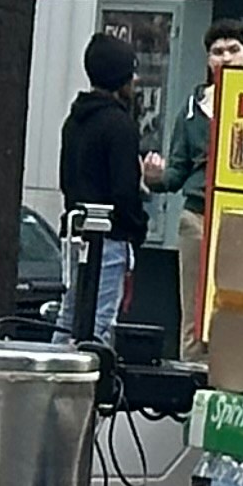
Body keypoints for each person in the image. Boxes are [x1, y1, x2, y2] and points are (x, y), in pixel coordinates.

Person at [152, 21, 243, 355]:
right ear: (208, 60)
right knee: (194, 307)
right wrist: (154, 177)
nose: (226, 58)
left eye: (234, 50)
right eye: (218, 52)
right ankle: (192, 379)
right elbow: (176, 172)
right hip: (198, 216)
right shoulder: (192, 111)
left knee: (240, 304)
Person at [56, 31, 151, 346]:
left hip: (75, 229)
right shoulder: (120, 125)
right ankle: (88, 386)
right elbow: (124, 190)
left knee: (70, 318)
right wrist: (137, 228)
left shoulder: (75, 120)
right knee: (99, 324)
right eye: (131, 73)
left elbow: (65, 180)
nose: (135, 79)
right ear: (121, 78)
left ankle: (52, 376)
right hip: (110, 236)